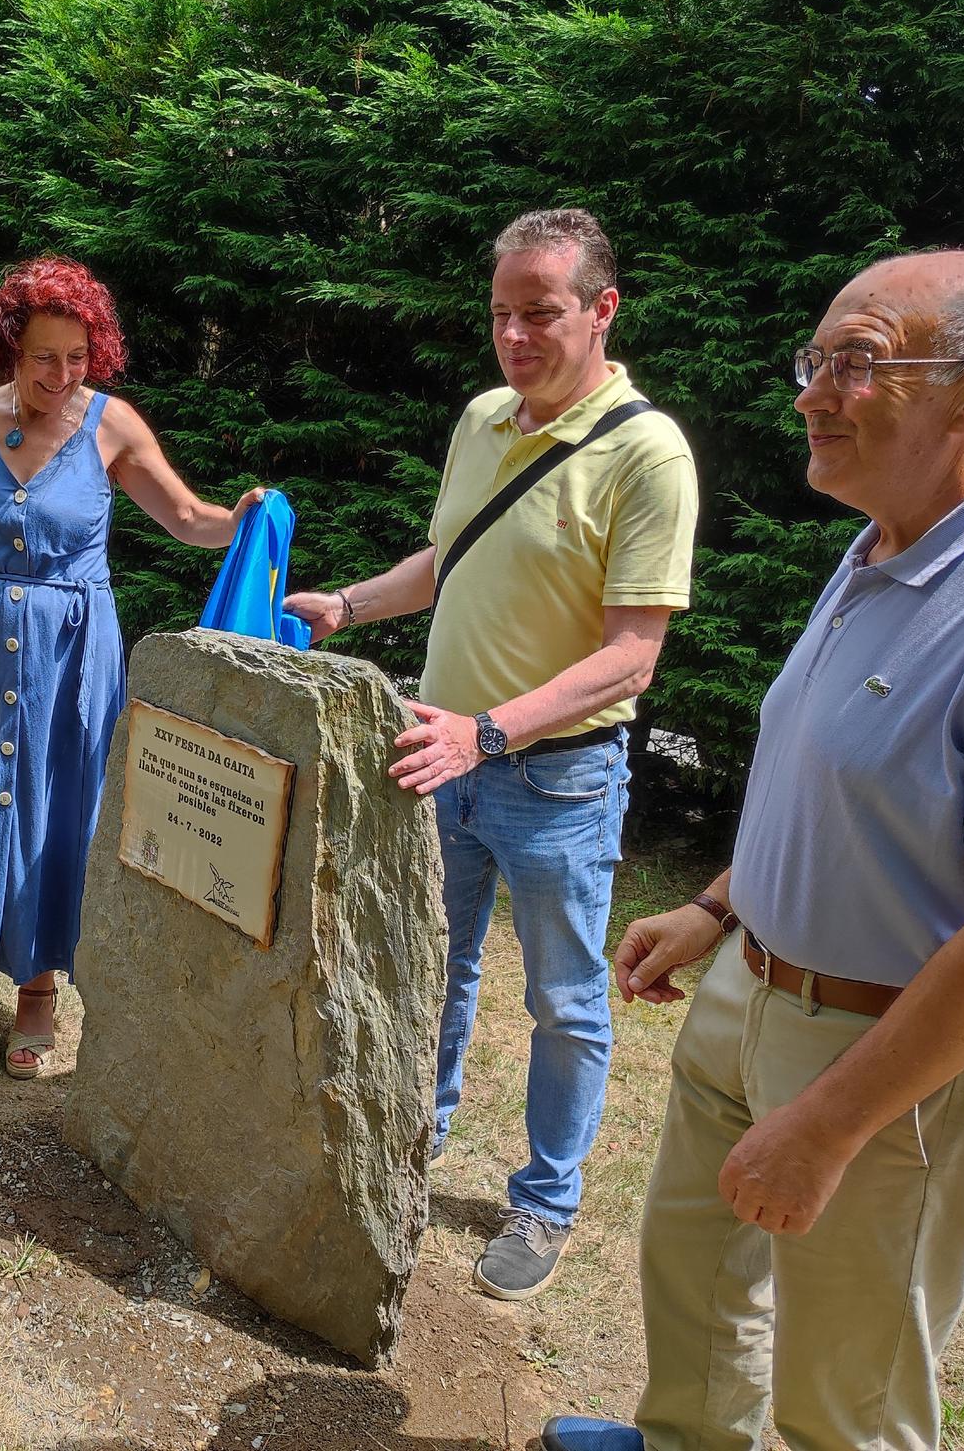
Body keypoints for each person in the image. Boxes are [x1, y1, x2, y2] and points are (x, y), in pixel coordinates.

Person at [542, 252, 964, 1451]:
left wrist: (830, 1123)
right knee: (692, 1280)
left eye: (853, 362)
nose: (809, 391)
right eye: (814, 360)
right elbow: (840, 786)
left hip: (889, 1059)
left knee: (848, 1397)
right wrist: (715, 910)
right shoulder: (886, 538)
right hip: (753, 988)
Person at [284, 208, 699, 1300]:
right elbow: (450, 555)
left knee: (563, 1001)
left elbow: (630, 657)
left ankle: (544, 1201)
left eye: (540, 313)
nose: (514, 336)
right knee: (434, 969)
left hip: (555, 776)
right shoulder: (482, 417)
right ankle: (408, 1148)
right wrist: (347, 604)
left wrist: (491, 731)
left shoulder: (646, 452)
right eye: (500, 314)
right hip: (440, 756)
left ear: (601, 310)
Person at [0, 256, 261, 1078]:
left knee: (55, 806)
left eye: (77, 357)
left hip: (71, 656)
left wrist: (238, 520)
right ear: (9, 350)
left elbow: (185, 517)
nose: (62, 376)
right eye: (43, 358)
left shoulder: (112, 424)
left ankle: (36, 993)